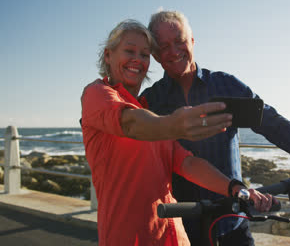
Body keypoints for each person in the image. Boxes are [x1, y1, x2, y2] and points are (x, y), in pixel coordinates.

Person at [140, 10, 290, 246]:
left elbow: (271, 122)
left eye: (179, 41)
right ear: (155, 54)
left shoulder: (225, 85)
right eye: (164, 46)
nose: (174, 51)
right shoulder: (150, 100)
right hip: (181, 226)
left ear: (192, 41)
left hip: (233, 220)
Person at [81, 19, 275, 246]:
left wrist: (237, 189)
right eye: (129, 51)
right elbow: (130, 122)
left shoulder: (147, 109)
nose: (138, 59)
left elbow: (187, 163)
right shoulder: (96, 94)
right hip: (129, 238)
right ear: (108, 55)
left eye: (144, 54)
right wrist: (174, 124)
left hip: (173, 236)